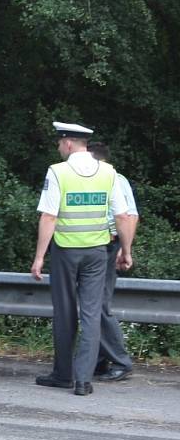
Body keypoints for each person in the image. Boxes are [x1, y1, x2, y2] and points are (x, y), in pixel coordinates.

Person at [30, 122, 134, 396]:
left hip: (65, 251)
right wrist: (126, 250)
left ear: (67, 143)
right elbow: (122, 216)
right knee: (91, 314)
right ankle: (84, 380)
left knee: (65, 313)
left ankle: (63, 375)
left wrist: (39, 256)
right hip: (98, 252)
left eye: (59, 142)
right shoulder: (109, 172)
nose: (58, 147)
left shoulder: (58, 172)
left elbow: (49, 217)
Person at [88, 141, 139, 381]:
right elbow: (133, 215)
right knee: (96, 304)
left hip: (105, 245)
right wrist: (125, 248)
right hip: (111, 244)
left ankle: (120, 360)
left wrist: (123, 249)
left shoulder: (104, 178)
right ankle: (99, 359)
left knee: (97, 306)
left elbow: (126, 216)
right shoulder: (120, 179)